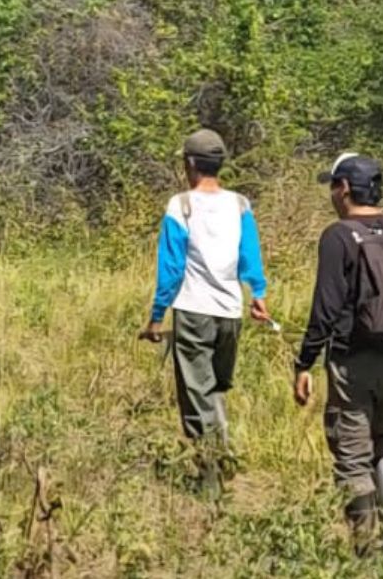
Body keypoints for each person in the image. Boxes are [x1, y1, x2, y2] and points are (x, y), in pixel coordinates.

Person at [293, 152, 383, 558]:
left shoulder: (339, 236)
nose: (330, 193)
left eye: (332, 185)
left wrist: (303, 363)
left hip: (353, 361)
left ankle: (364, 550)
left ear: (344, 188)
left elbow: (324, 308)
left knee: (352, 455)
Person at [140, 128, 271, 494]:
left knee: (197, 396)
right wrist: (257, 294)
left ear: (191, 164)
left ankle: (210, 481)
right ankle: (224, 460)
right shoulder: (240, 204)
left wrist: (156, 316)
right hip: (230, 313)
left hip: (194, 312)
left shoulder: (180, 205)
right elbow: (250, 256)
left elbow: (171, 268)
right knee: (214, 388)